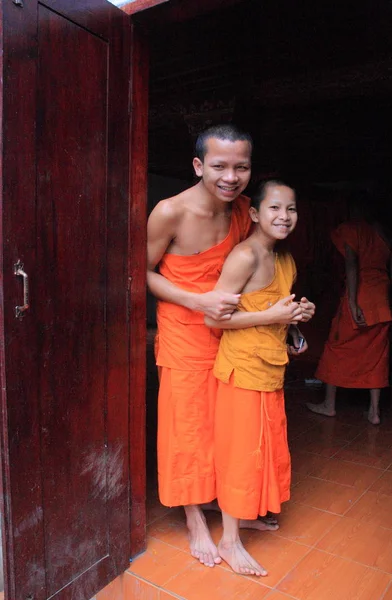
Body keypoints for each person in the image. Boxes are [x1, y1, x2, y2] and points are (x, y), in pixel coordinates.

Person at [147, 124, 256, 569]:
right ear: (198, 166)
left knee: (223, 422)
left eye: (241, 167)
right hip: (183, 330)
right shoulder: (169, 212)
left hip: (228, 331)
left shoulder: (243, 212)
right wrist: (197, 299)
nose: (231, 177)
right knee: (187, 426)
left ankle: (213, 498)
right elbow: (141, 273)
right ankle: (193, 517)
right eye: (219, 166)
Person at [204, 180, 315, 576]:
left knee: (262, 448)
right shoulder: (245, 256)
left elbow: (278, 312)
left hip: (270, 367)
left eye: (291, 209)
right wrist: (275, 317)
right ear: (254, 213)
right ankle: (229, 542)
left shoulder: (284, 258)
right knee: (240, 454)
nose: (284, 217)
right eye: (274, 209)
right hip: (241, 371)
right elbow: (213, 316)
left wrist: (296, 327)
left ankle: (245, 515)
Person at [307, 198, 392, 424]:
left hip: (358, 298)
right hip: (381, 302)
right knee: (377, 356)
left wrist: (354, 303)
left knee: (335, 348)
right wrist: (380, 290)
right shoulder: (386, 235)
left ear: (354, 210)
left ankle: (329, 405)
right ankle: (374, 412)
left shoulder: (351, 229)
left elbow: (351, 266)